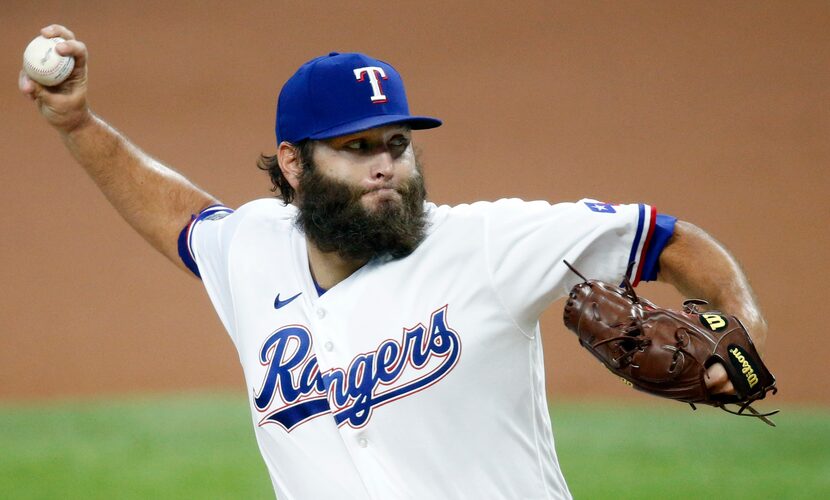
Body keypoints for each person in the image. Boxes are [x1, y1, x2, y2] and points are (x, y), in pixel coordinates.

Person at [22, 25, 767, 500]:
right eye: (355, 148)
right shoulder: (253, 249)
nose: (385, 165)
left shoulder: (486, 246)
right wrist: (78, 123)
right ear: (292, 163)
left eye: (396, 144)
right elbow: (179, 216)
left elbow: (669, 237)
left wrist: (737, 320)